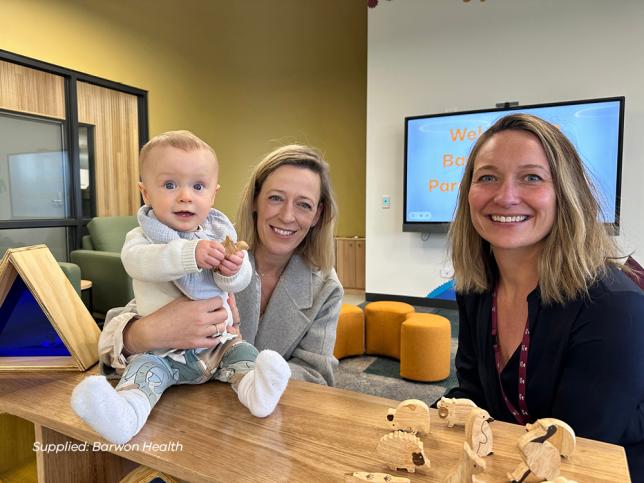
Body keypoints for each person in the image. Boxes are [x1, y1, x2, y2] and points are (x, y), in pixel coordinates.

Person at [442, 113, 644, 480]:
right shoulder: (474, 288)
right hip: (512, 463)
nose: (505, 196)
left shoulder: (614, 306)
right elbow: (476, 398)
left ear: (564, 194)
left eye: (531, 177)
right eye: (487, 177)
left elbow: (576, 452)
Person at [71, 131, 291, 444]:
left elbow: (237, 283)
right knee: (143, 374)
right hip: (160, 352)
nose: (185, 196)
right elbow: (138, 263)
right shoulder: (143, 237)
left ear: (213, 195)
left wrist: (233, 270)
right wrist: (190, 254)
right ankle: (125, 415)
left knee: (242, 353)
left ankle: (256, 391)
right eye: (170, 185)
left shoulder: (216, 234)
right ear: (145, 193)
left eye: (198, 186)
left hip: (215, 347)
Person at [98, 143, 343, 390]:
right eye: (276, 198)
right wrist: (149, 333)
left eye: (304, 205)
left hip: (261, 416)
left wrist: (243, 367)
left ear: (317, 215)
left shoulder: (326, 287)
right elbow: (112, 332)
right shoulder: (205, 248)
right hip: (183, 407)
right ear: (255, 200)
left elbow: (317, 376)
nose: (287, 216)